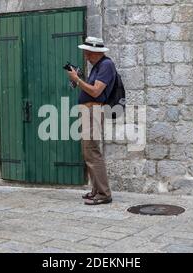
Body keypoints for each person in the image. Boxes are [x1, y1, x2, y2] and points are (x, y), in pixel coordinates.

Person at [66, 36, 116, 205]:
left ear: (95, 52)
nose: (86, 56)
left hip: (93, 111)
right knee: (88, 152)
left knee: (93, 152)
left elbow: (96, 91)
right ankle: (96, 190)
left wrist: (77, 80)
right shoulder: (97, 66)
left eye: (87, 52)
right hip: (88, 111)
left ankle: (104, 194)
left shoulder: (106, 65)